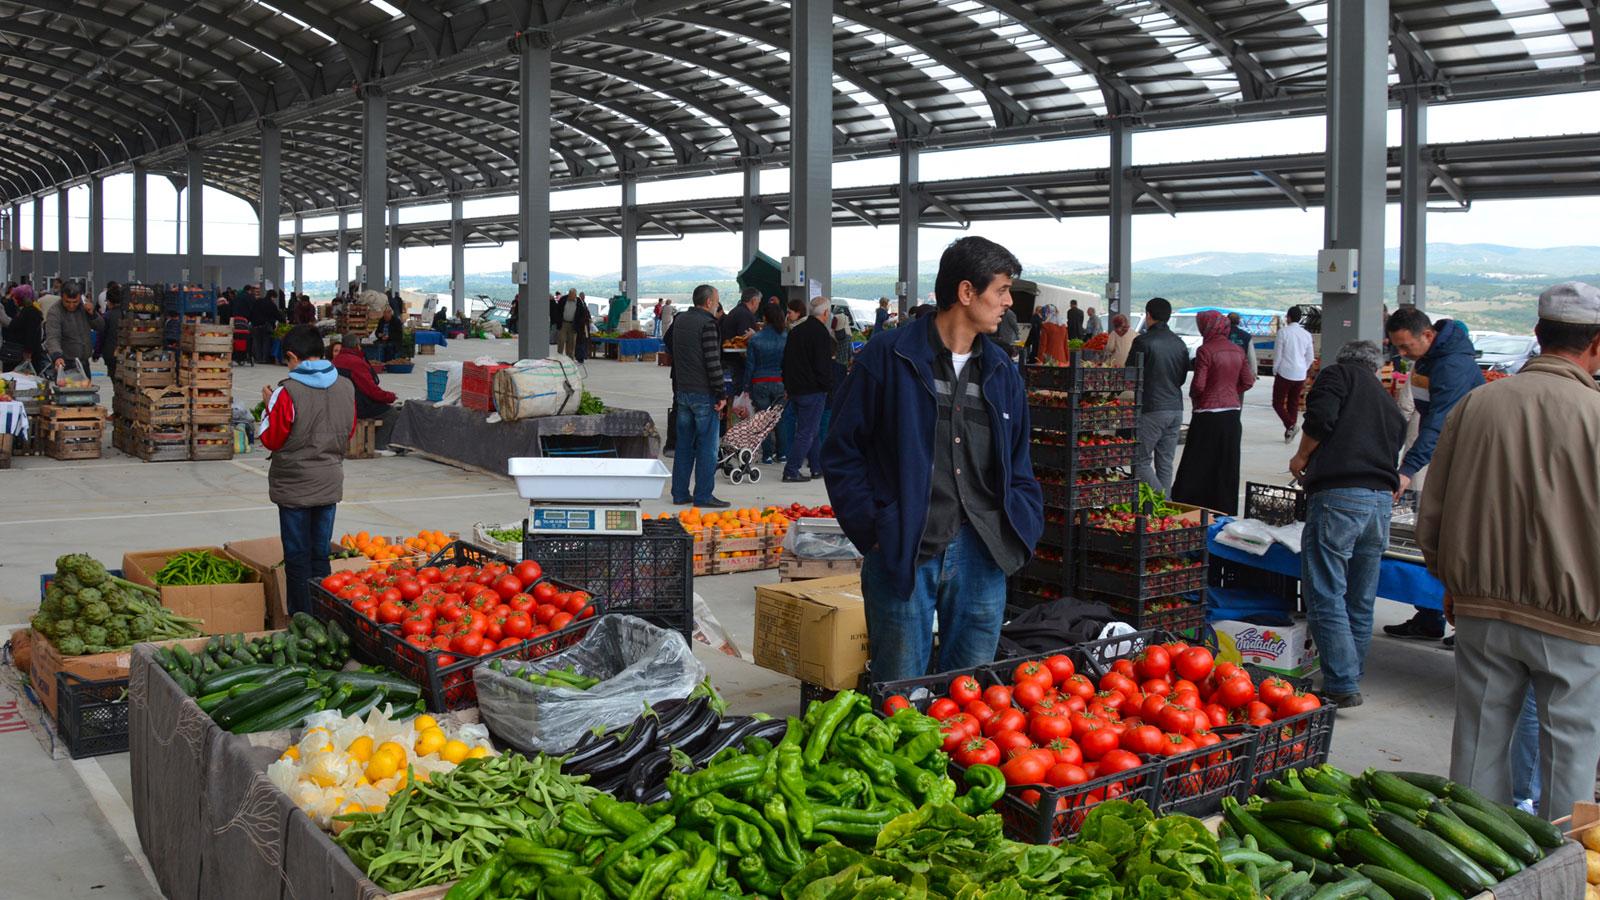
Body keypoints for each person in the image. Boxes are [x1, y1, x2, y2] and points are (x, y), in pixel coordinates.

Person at [822, 236, 1044, 682]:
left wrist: (1021, 521)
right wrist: (875, 526)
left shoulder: (1002, 371)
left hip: (983, 550)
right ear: (966, 293)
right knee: (900, 688)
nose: (1007, 303)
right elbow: (841, 450)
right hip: (906, 546)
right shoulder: (890, 356)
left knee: (973, 695)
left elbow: (1019, 460)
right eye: (1000, 290)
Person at [1419, 281, 1600, 819]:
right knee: (1570, 752)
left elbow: (1435, 508)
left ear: (1538, 335)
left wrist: (1451, 583)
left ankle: (1478, 868)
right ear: (1596, 344)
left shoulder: (1476, 404)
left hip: (1482, 609)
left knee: (1477, 743)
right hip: (1576, 620)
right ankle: (1565, 870)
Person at [1287, 340, 1407, 709]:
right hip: (1379, 504)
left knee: (1325, 592)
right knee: (1360, 596)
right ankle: (1350, 675)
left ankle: (1340, 682)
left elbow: (1320, 418)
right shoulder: (1387, 401)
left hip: (1341, 496)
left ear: (1343, 361)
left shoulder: (1337, 376)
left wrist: (1301, 456)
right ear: (1376, 367)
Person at [1382, 307, 1484, 643]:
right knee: (1436, 536)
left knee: (1462, 540)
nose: (1402, 354)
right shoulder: (1428, 359)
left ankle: (1468, 624)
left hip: (1469, 457)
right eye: (1397, 347)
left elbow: (1439, 423)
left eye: (1405, 346)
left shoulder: (1452, 364)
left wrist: (1408, 469)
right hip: (1445, 454)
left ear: (1427, 335)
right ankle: (1430, 618)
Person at [259, 326, 356, 619]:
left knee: (297, 557)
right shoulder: (346, 386)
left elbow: (271, 439)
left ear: (291, 357)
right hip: (329, 482)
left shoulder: (285, 391)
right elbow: (348, 431)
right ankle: (324, 615)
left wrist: (268, 406)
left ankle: (302, 619)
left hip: (294, 487)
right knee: (319, 555)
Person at [1171, 310, 1255, 515]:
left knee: (1198, 461)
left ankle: (1192, 505)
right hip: (1232, 414)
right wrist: (1231, 393)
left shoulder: (1205, 350)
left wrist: (1196, 396)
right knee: (1226, 463)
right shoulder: (1237, 350)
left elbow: (1199, 384)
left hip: (1208, 414)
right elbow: (1248, 380)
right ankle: (1224, 509)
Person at [667, 284, 729, 509]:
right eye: (717, 300)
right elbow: (713, 361)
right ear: (709, 302)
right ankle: (703, 495)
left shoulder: (680, 319)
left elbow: (668, 344)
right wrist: (721, 393)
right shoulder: (709, 324)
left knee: (684, 445)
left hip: (682, 391)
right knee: (707, 447)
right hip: (704, 393)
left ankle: (680, 493)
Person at [1130, 298, 1189, 493]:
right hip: (1176, 408)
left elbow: (1129, 374)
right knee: (1165, 463)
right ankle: (1166, 512)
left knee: (1140, 462)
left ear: (1148, 315)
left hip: (1152, 408)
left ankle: (1163, 502)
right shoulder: (1179, 343)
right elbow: (1181, 378)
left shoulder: (1142, 341)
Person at [782, 296, 836, 483]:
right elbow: (823, 365)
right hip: (813, 390)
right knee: (807, 431)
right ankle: (791, 469)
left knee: (810, 430)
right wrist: (828, 387)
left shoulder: (796, 331)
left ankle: (816, 467)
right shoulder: (821, 333)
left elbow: (786, 361)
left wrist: (788, 386)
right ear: (826, 313)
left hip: (796, 389)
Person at [332, 332, 400, 450]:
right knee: (391, 413)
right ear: (357, 346)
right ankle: (379, 445)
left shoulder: (336, 361)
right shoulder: (355, 362)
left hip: (340, 404)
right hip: (357, 405)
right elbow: (371, 390)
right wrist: (390, 397)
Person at [745, 302, 789, 464]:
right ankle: (782, 453)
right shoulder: (786, 337)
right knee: (780, 419)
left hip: (759, 381)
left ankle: (767, 455)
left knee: (763, 420)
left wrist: (746, 386)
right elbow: (789, 363)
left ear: (765, 318)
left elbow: (750, 365)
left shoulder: (755, 339)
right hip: (780, 381)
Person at [44, 281, 103, 381]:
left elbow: (100, 326)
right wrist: (57, 356)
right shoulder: (55, 312)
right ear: (62, 297)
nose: (71, 305)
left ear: (80, 298)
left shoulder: (84, 308)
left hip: (84, 363)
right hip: (65, 364)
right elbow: (53, 337)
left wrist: (93, 314)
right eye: (67, 302)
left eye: (75, 302)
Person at [1273, 306, 1315, 441]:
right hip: (1300, 374)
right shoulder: (1307, 335)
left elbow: (1278, 354)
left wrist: (1275, 370)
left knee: (1277, 403)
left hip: (1285, 372)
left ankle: (1291, 425)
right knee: (1293, 402)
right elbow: (1310, 356)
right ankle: (1289, 433)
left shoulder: (1283, 332)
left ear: (1289, 317)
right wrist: (1304, 368)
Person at [2, 284, 45, 373]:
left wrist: (28, 352)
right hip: (21, 353)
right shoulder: (28, 311)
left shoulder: (30, 312)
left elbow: (31, 333)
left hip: (24, 355)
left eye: (15, 297)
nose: (13, 298)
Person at [247, 284, 282, 364]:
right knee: (266, 342)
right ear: (272, 296)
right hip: (266, 325)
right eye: (274, 298)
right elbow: (277, 315)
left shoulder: (258, 301)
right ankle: (265, 359)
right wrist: (283, 321)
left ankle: (258, 359)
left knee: (257, 342)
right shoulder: (271, 304)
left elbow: (251, 312)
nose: (274, 300)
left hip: (255, 325)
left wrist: (251, 321)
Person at [98, 283, 124, 382]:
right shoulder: (128, 315)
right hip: (128, 355)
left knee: (114, 378)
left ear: (109, 301)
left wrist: (97, 353)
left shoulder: (107, 316)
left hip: (110, 354)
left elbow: (101, 336)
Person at [1226, 312, 1259, 377]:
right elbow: (1251, 357)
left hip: (1224, 369)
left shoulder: (1222, 334)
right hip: (1240, 370)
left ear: (1227, 321)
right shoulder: (1246, 336)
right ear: (1238, 322)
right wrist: (1253, 373)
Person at [556, 289, 582, 357]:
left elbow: (581, 313)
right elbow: (558, 311)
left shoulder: (578, 301)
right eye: (571, 296)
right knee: (561, 340)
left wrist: (578, 324)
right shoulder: (563, 299)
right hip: (563, 323)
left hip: (573, 324)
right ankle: (559, 357)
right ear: (569, 294)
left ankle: (570, 358)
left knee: (571, 342)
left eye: (574, 296)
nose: (572, 297)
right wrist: (558, 321)